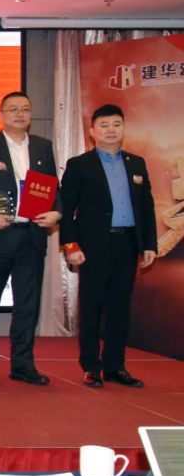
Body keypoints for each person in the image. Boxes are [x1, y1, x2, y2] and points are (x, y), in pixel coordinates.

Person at [0, 92, 61, 386]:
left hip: (31, 235)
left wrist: (56, 212)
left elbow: (53, 187)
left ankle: (23, 364)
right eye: (13, 109)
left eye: (25, 109)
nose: (20, 114)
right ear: (1, 114)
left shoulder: (43, 146)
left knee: (27, 305)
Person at [60, 104, 157, 388]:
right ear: (93, 131)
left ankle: (115, 366)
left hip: (127, 244)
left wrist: (149, 244)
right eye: (104, 125)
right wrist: (71, 245)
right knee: (91, 308)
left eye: (116, 124)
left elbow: (146, 206)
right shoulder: (80, 164)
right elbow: (65, 208)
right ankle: (91, 367)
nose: (110, 130)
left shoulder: (136, 163)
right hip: (92, 247)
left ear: (123, 128)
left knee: (119, 309)